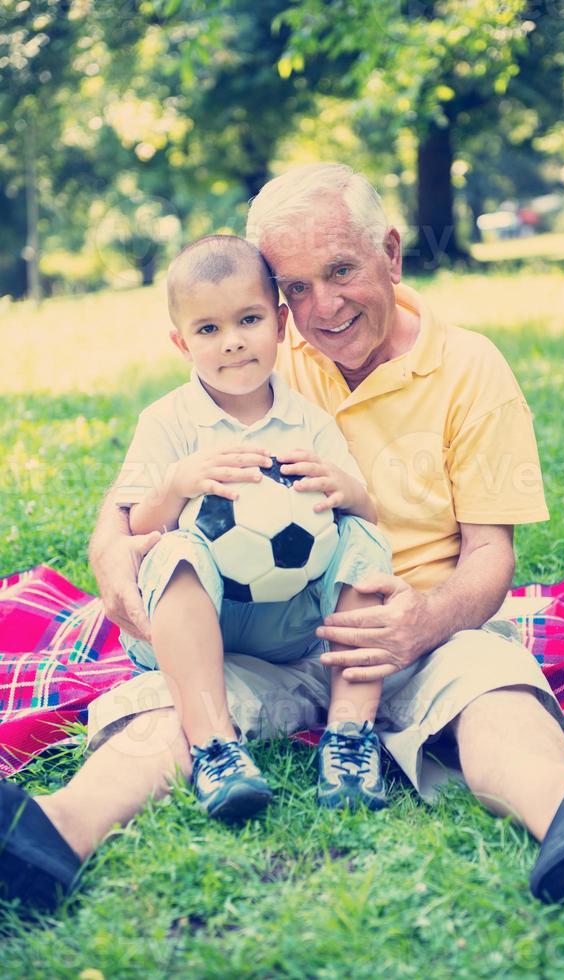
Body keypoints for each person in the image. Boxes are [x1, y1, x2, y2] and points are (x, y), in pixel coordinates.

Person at [1, 163, 564, 912]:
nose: (323, 308)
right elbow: (122, 517)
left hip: (409, 630)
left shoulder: (469, 368)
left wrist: (422, 625)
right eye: (296, 287)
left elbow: (489, 555)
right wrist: (118, 570)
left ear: (393, 254)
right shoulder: (257, 359)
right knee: (166, 704)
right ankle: (49, 836)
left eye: (341, 270)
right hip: (255, 638)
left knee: (491, 684)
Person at [112, 233, 392, 819]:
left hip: (292, 624)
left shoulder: (308, 423)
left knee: (364, 540)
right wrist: (177, 483)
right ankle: (216, 746)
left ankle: (349, 738)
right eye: (208, 330)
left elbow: (365, 514)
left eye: (249, 319)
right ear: (180, 342)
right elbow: (136, 524)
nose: (233, 342)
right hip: (197, 619)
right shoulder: (167, 422)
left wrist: (353, 494)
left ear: (281, 323)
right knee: (174, 549)